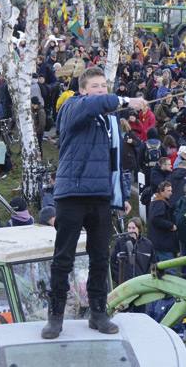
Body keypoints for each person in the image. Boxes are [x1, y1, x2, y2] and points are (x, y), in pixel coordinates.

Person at [41, 67, 146, 339]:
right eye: (96, 86)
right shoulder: (74, 107)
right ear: (84, 89)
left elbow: (114, 161)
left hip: (100, 196)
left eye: (104, 85)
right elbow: (96, 104)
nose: (101, 90)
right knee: (62, 259)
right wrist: (125, 101)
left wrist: (120, 196)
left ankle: (98, 313)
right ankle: (55, 317)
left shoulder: (107, 121)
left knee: (100, 257)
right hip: (71, 195)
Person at [110, 217, 156, 286]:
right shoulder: (120, 242)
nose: (131, 230)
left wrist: (147, 280)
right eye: (129, 228)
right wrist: (119, 279)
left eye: (133, 228)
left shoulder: (148, 244)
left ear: (139, 229)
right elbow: (112, 263)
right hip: (124, 285)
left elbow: (153, 263)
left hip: (143, 284)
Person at [148, 181, 178, 262]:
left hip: (157, 242)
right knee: (170, 270)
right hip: (163, 243)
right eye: (168, 191)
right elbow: (156, 219)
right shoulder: (160, 203)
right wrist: (171, 225)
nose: (171, 193)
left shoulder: (154, 201)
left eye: (171, 190)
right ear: (161, 191)